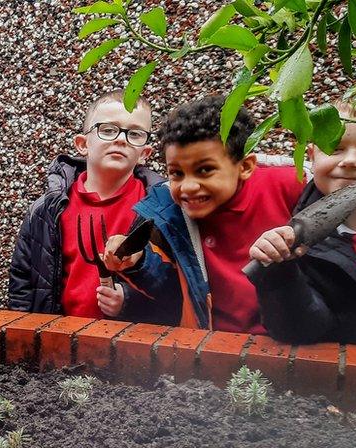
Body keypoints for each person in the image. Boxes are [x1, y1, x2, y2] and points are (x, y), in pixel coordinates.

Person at [103, 96, 303, 333]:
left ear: (246, 166)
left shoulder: (291, 185)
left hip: (293, 341)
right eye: (176, 173)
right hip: (210, 348)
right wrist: (138, 262)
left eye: (205, 170)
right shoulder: (169, 212)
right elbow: (175, 294)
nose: (188, 187)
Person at [247, 100, 356, 347]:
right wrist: (279, 273)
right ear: (312, 156)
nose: (349, 160)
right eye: (334, 148)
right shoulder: (303, 239)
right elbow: (300, 329)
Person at [8, 90, 166, 321]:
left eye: (134, 133)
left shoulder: (161, 209)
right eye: (108, 130)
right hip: (58, 341)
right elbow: (22, 280)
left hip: (131, 347)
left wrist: (130, 302)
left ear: (145, 153)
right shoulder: (47, 210)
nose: (120, 139)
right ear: (83, 144)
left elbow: (175, 289)